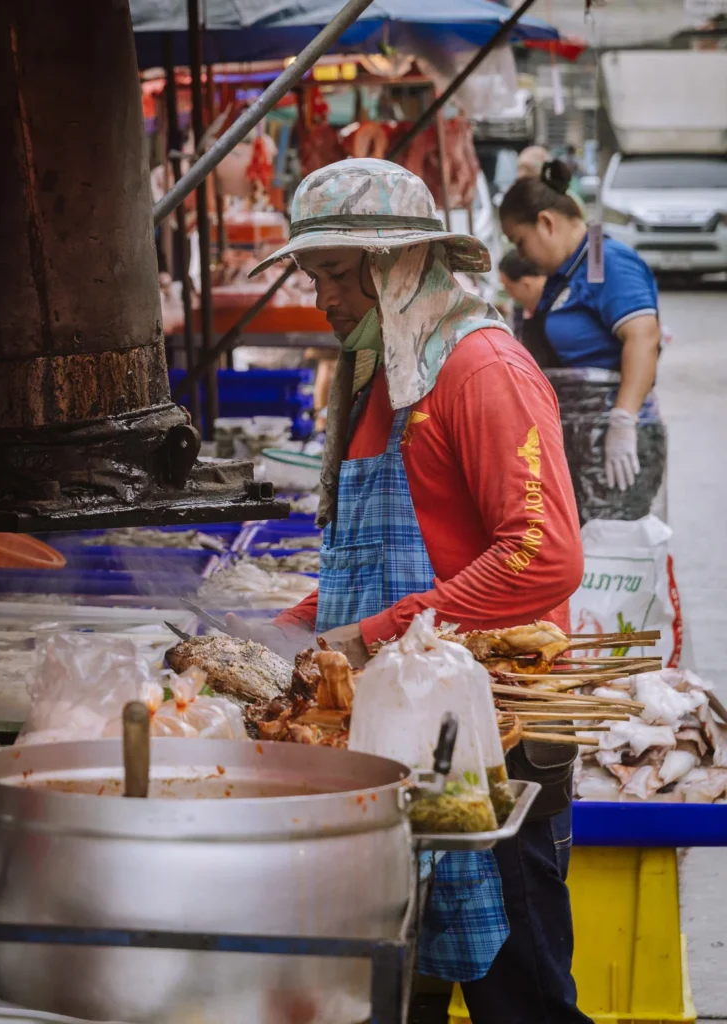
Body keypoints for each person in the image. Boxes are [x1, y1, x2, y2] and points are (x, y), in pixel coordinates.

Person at [229, 157, 590, 1024]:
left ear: (397, 264)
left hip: (491, 738)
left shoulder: (480, 369)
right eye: (314, 276)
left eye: (337, 274)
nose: (322, 298)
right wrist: (285, 629)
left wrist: (373, 633)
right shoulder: (382, 377)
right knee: (396, 985)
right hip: (397, 735)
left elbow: (543, 555)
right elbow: (376, 555)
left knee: (520, 996)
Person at [500, 159, 666, 525]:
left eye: (520, 242)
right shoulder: (570, 270)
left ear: (546, 223)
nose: (521, 256)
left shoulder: (605, 260)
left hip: (613, 441)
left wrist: (623, 421)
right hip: (576, 437)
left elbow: (643, 336)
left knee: (612, 558)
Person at [499, 249, 547, 340]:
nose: (511, 296)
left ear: (526, 284)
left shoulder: (562, 311)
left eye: (510, 289)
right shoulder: (523, 313)